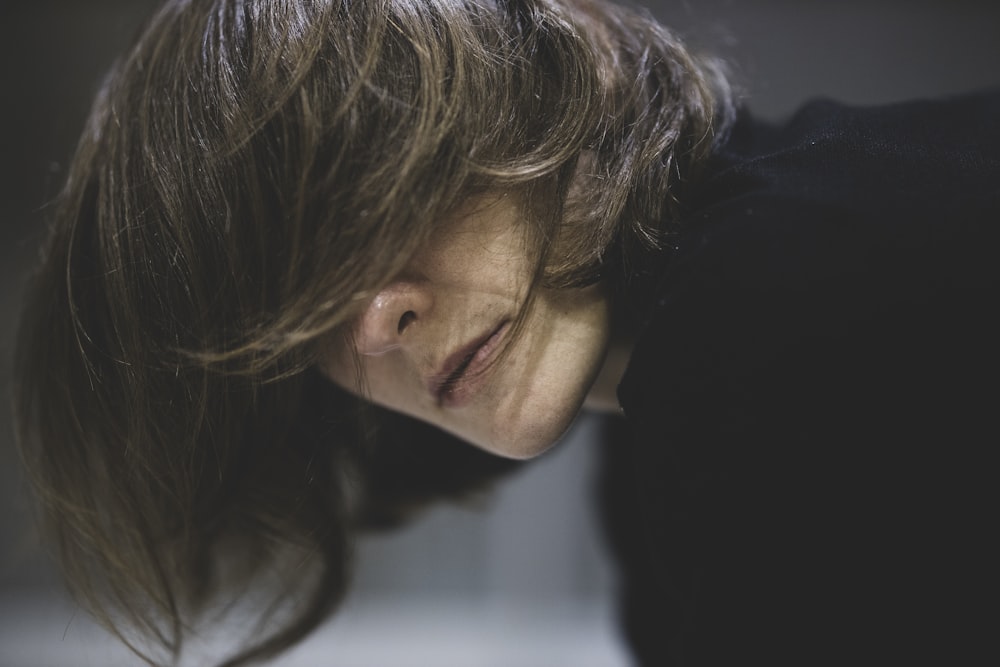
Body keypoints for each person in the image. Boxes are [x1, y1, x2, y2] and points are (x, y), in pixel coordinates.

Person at [10, 0, 998, 665]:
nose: (373, 318)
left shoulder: (765, 308)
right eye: (297, 309)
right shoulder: (664, 424)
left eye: (378, 200)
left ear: (551, 81)